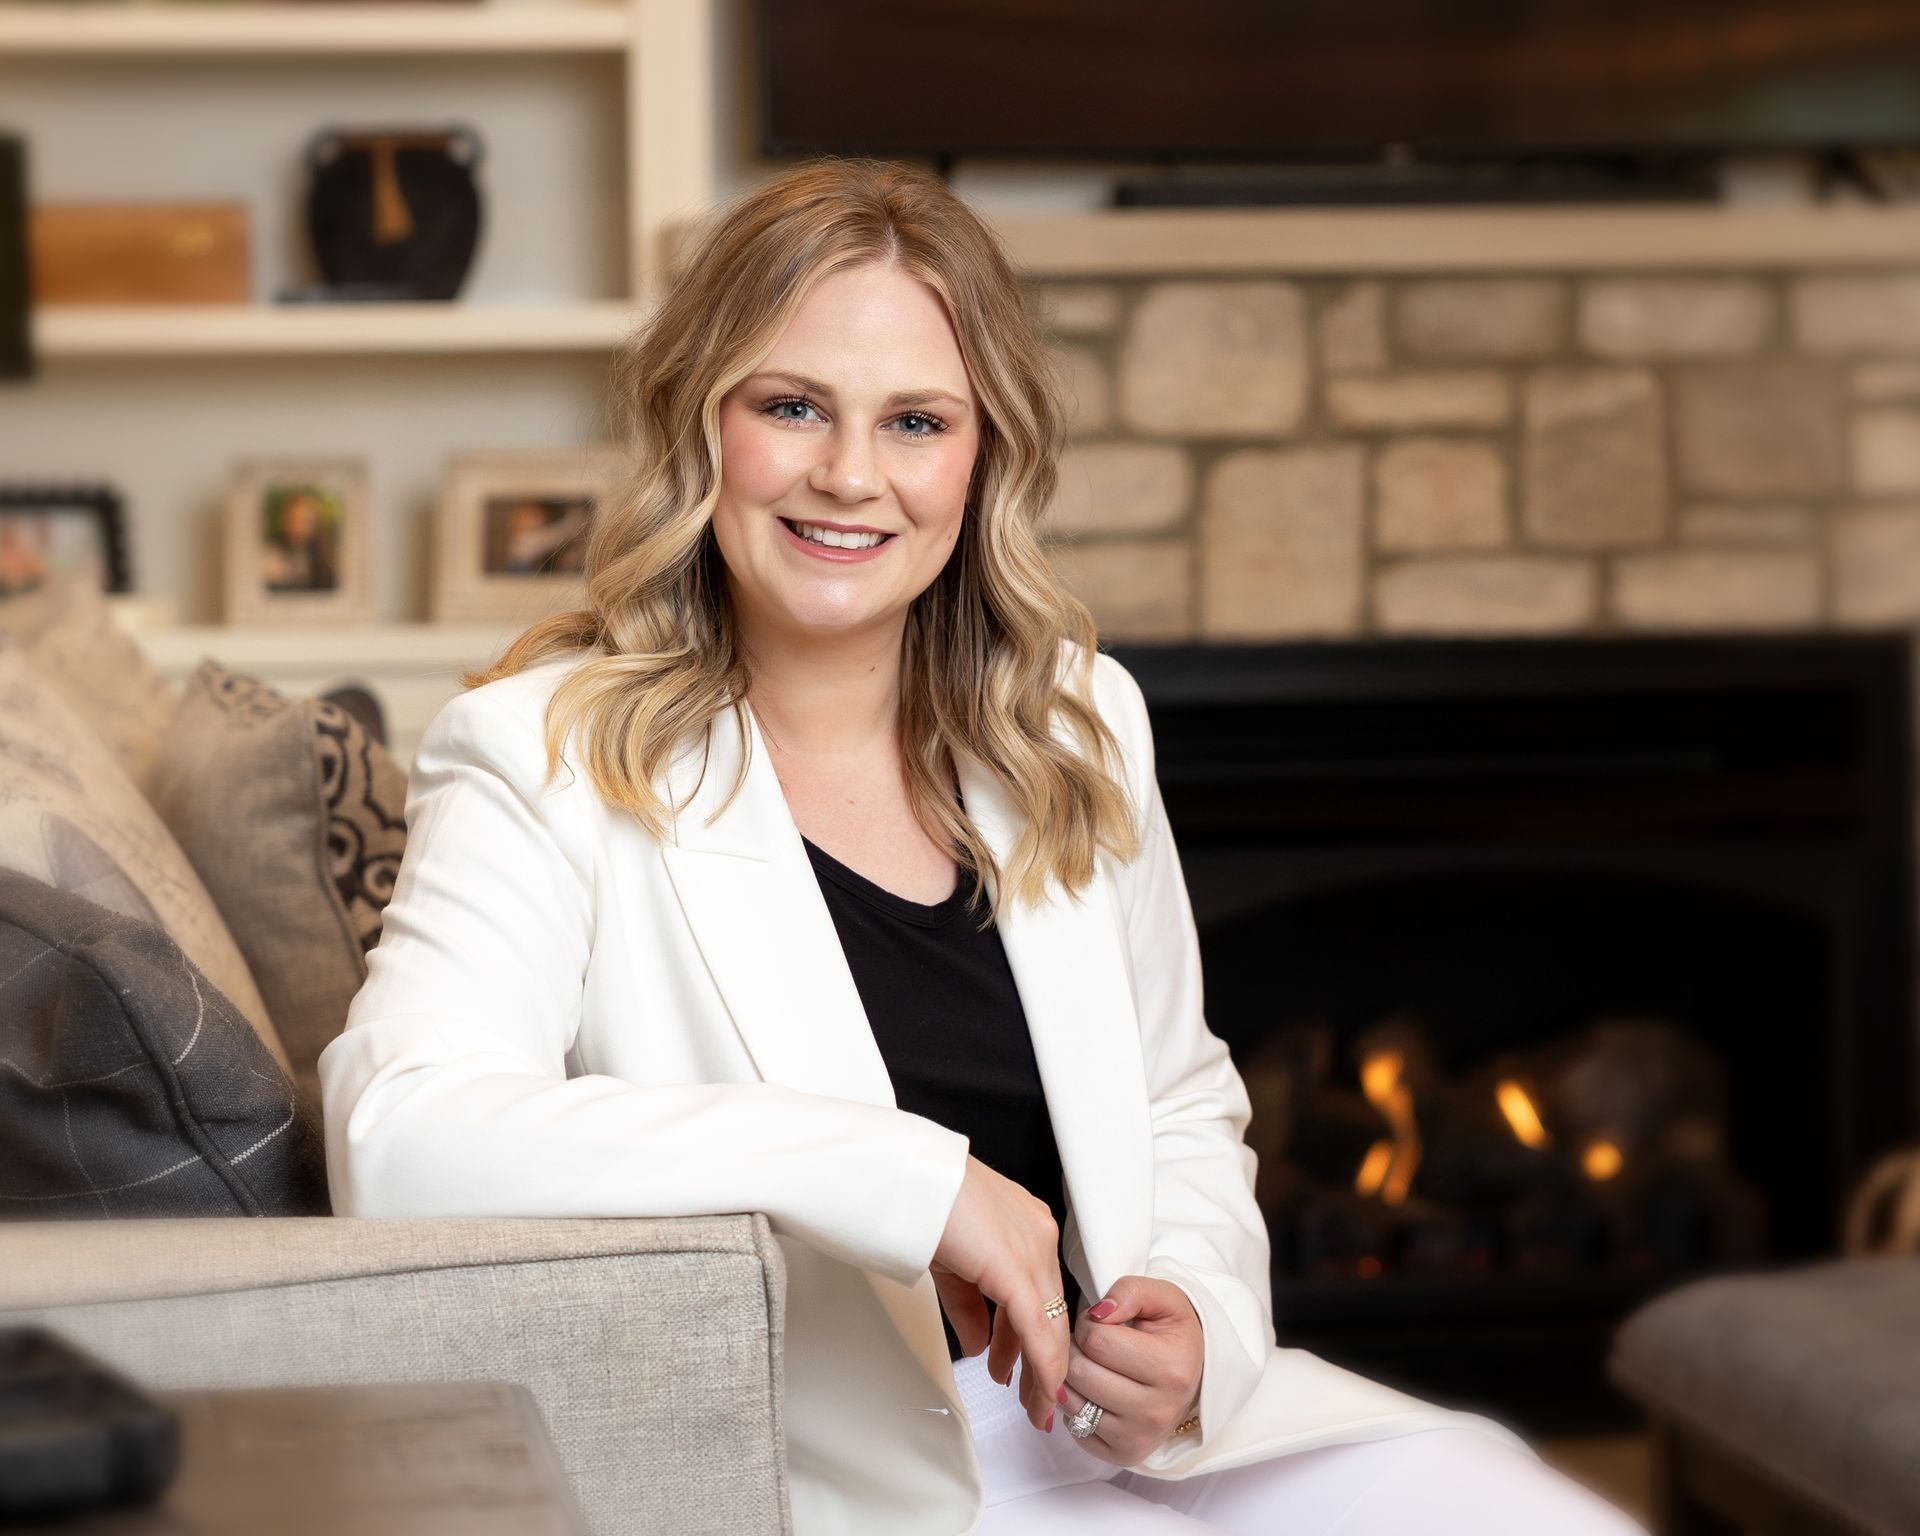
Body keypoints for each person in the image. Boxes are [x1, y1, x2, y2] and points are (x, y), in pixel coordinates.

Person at [317, 158, 1647, 1536]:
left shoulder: (1078, 721)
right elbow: (398, 1136)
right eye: (791, 407)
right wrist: (911, 1178)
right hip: (851, 1477)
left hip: (1138, 1439)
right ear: (701, 424)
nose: (851, 476)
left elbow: (1179, 1101)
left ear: (982, 456)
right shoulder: (542, 752)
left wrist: (1197, 1323)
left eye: (915, 421)